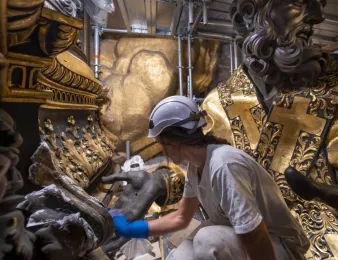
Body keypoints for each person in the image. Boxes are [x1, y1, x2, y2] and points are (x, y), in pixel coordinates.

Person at [104, 96, 309, 260]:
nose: (163, 149)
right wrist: (131, 229)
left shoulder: (223, 165)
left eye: (161, 143)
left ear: (170, 141)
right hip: (240, 239)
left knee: (207, 239)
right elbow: (181, 218)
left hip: (278, 246)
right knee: (180, 255)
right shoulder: (196, 167)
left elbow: (254, 234)